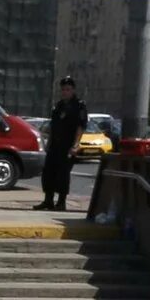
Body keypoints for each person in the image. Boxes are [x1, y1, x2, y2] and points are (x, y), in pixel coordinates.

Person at [38, 74, 87, 212]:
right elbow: (54, 126)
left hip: (67, 145)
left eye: (68, 89)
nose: (65, 92)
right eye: (63, 89)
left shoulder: (79, 106)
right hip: (55, 145)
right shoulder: (58, 106)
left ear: (73, 90)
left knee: (63, 174)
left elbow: (80, 126)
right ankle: (48, 200)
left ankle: (61, 202)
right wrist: (49, 143)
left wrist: (76, 145)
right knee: (48, 172)